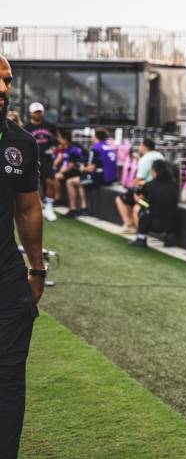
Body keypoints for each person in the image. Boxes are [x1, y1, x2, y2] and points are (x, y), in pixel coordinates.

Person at [0, 54, 47, 459]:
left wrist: (37, 269)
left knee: (9, 380)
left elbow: (29, 209)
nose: (3, 88)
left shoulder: (21, 143)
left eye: (7, 80)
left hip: (6, 279)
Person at [115, 138, 165, 232]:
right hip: (159, 193)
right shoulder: (160, 156)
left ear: (144, 146)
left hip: (147, 195)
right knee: (135, 201)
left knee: (121, 200)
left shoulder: (145, 159)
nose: (139, 147)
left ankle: (129, 226)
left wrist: (131, 185)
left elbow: (139, 179)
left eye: (140, 145)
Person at [66, 128, 117, 216]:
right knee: (81, 181)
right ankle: (84, 208)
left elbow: (91, 169)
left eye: (93, 136)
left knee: (70, 182)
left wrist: (82, 168)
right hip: (112, 178)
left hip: (101, 177)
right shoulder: (109, 147)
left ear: (96, 137)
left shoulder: (96, 148)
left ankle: (73, 209)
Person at [128, 159, 179, 248]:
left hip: (155, 222)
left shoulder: (150, 185)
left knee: (139, 209)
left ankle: (141, 238)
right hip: (172, 223)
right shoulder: (174, 184)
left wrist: (138, 200)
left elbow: (146, 203)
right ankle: (169, 236)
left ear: (155, 171)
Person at [23, 102, 59, 222]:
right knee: (33, 185)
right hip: (32, 160)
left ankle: (49, 207)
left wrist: (54, 148)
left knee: (51, 182)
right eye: (35, 112)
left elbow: (57, 141)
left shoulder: (50, 126)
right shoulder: (26, 128)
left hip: (47, 159)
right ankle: (37, 206)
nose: (38, 114)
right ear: (30, 113)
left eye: (39, 112)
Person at [53, 128, 87, 217]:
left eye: (59, 137)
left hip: (80, 170)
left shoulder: (73, 149)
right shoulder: (65, 148)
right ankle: (60, 200)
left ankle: (70, 207)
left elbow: (71, 166)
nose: (58, 139)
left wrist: (61, 172)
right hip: (73, 169)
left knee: (58, 177)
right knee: (55, 175)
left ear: (65, 139)